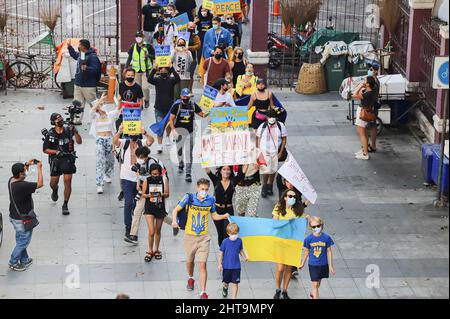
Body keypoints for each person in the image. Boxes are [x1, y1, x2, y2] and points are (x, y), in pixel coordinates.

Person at [171, 178, 230, 299]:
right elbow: (176, 210)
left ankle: (203, 292)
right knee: (190, 261)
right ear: (197, 188)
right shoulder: (189, 198)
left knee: (202, 264)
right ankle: (191, 277)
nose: (204, 191)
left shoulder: (211, 200)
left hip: (204, 238)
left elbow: (214, 216)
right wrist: (173, 221)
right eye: (202, 189)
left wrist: (224, 216)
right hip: (189, 236)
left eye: (206, 189)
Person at [113, 125, 154, 242]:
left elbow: (151, 141)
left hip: (140, 180)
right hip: (126, 178)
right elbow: (115, 141)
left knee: (136, 205)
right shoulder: (124, 142)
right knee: (128, 203)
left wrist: (145, 132)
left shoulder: (142, 143)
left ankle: (133, 224)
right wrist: (119, 131)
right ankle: (128, 227)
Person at [128, 146, 172, 244]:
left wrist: (139, 175)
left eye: (139, 157)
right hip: (147, 190)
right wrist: (138, 182)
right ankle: (133, 235)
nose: (138, 159)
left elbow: (152, 178)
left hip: (156, 190)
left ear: (143, 156)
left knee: (159, 213)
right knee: (138, 210)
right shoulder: (144, 163)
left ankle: (174, 223)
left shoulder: (152, 163)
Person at [272, 189, 309, 299]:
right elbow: (274, 224)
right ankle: (277, 289)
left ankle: (285, 290)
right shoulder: (278, 207)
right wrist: (288, 221)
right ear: (284, 197)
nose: (292, 198)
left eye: (294, 196)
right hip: (280, 242)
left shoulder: (299, 210)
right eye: (289, 196)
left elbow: (301, 227)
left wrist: (306, 220)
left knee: (289, 268)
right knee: (279, 268)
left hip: (292, 242)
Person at [43, 113, 82, 215]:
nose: (60, 120)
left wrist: (76, 132)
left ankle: (65, 204)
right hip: (56, 160)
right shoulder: (50, 134)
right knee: (53, 183)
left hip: (68, 159)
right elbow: (45, 149)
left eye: (61, 118)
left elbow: (79, 142)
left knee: (67, 181)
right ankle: (55, 190)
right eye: (57, 119)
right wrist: (55, 152)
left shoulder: (68, 131)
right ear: (53, 122)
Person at [7, 160, 43, 271]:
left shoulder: (11, 180)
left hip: (14, 216)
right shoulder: (22, 186)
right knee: (23, 241)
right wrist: (39, 168)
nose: (26, 172)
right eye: (24, 170)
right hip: (22, 219)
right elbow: (40, 184)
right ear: (20, 174)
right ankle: (13, 262)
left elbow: (22, 176)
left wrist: (27, 165)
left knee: (20, 238)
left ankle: (25, 259)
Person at [169, 88, 208, 183]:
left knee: (188, 152)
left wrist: (208, 111)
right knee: (179, 150)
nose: (186, 98)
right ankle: (181, 163)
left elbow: (201, 114)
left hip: (190, 132)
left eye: (187, 96)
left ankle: (188, 173)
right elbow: (171, 119)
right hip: (179, 132)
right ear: (181, 96)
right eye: (184, 96)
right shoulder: (177, 106)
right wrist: (173, 130)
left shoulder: (193, 105)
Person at [205, 166, 243, 246]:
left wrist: (246, 157)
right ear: (220, 171)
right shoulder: (216, 180)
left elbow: (242, 174)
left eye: (228, 169)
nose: (226, 171)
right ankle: (221, 252)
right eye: (224, 169)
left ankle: (226, 251)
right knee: (220, 233)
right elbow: (207, 170)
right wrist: (203, 157)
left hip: (229, 210)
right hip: (217, 211)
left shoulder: (233, 181)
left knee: (227, 233)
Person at [89, 94, 120, 194]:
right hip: (100, 140)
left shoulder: (109, 114)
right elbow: (91, 111)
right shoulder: (95, 116)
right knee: (100, 161)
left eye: (104, 103)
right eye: (101, 104)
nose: (103, 105)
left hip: (110, 139)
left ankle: (108, 174)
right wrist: (99, 101)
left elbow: (118, 110)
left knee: (110, 160)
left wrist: (118, 101)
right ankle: (99, 184)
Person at [300, 216, 336, 300]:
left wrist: (331, 266)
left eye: (318, 226)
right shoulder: (308, 239)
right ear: (311, 227)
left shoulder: (326, 238)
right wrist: (302, 263)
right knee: (315, 284)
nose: (316, 228)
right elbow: (306, 252)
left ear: (321, 225)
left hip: (323, 264)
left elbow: (329, 251)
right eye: (314, 227)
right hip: (313, 265)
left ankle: (313, 293)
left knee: (317, 284)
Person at [67, 39, 101, 124]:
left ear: (83, 46)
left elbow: (96, 70)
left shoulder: (93, 57)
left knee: (93, 103)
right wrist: (69, 47)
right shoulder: (82, 54)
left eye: (79, 45)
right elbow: (75, 56)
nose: (78, 46)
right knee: (78, 103)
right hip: (78, 84)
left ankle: (100, 118)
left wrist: (87, 68)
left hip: (88, 85)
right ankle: (76, 120)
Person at [148, 64, 180, 153]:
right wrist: (154, 69)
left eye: (165, 69)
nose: (163, 71)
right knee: (160, 125)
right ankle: (159, 145)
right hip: (159, 107)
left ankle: (167, 137)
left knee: (169, 124)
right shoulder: (157, 80)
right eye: (161, 69)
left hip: (170, 108)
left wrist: (172, 68)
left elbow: (178, 79)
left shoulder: (171, 80)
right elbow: (149, 79)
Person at [141, 163, 169, 262]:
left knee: (158, 230)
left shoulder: (164, 180)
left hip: (160, 207)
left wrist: (160, 194)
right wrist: (150, 195)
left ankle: (156, 249)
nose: (154, 176)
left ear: (160, 173)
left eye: (156, 174)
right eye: (153, 174)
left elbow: (167, 193)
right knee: (151, 231)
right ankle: (150, 250)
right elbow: (143, 194)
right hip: (149, 207)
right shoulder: (147, 180)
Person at [218, 223, 248, 299]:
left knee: (235, 283)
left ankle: (233, 297)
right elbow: (220, 253)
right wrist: (220, 264)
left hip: (236, 266)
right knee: (226, 282)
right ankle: (225, 288)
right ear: (228, 233)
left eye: (236, 233)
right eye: (232, 234)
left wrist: (244, 257)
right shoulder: (225, 242)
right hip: (227, 266)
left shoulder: (239, 241)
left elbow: (240, 250)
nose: (234, 235)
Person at [352, 76, 378, 161]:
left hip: (363, 113)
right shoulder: (373, 91)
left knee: (362, 134)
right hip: (368, 111)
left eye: (364, 81)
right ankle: (364, 149)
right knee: (365, 133)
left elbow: (354, 94)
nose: (363, 81)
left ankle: (365, 154)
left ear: (367, 84)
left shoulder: (367, 94)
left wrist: (360, 86)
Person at [125, 31, 152, 109]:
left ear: (143, 37)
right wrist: (126, 67)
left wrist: (148, 56)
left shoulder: (148, 46)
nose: (138, 38)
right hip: (136, 71)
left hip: (145, 71)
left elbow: (154, 56)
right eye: (137, 37)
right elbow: (130, 57)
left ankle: (146, 100)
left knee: (145, 87)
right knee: (138, 88)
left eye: (140, 37)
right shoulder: (133, 47)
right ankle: (140, 104)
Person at [186, 22, 201, 90]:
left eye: (193, 27)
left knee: (190, 75)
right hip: (182, 57)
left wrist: (189, 48)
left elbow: (198, 45)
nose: (192, 28)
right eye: (190, 27)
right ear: (187, 27)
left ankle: (190, 89)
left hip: (192, 58)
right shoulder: (182, 35)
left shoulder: (196, 36)